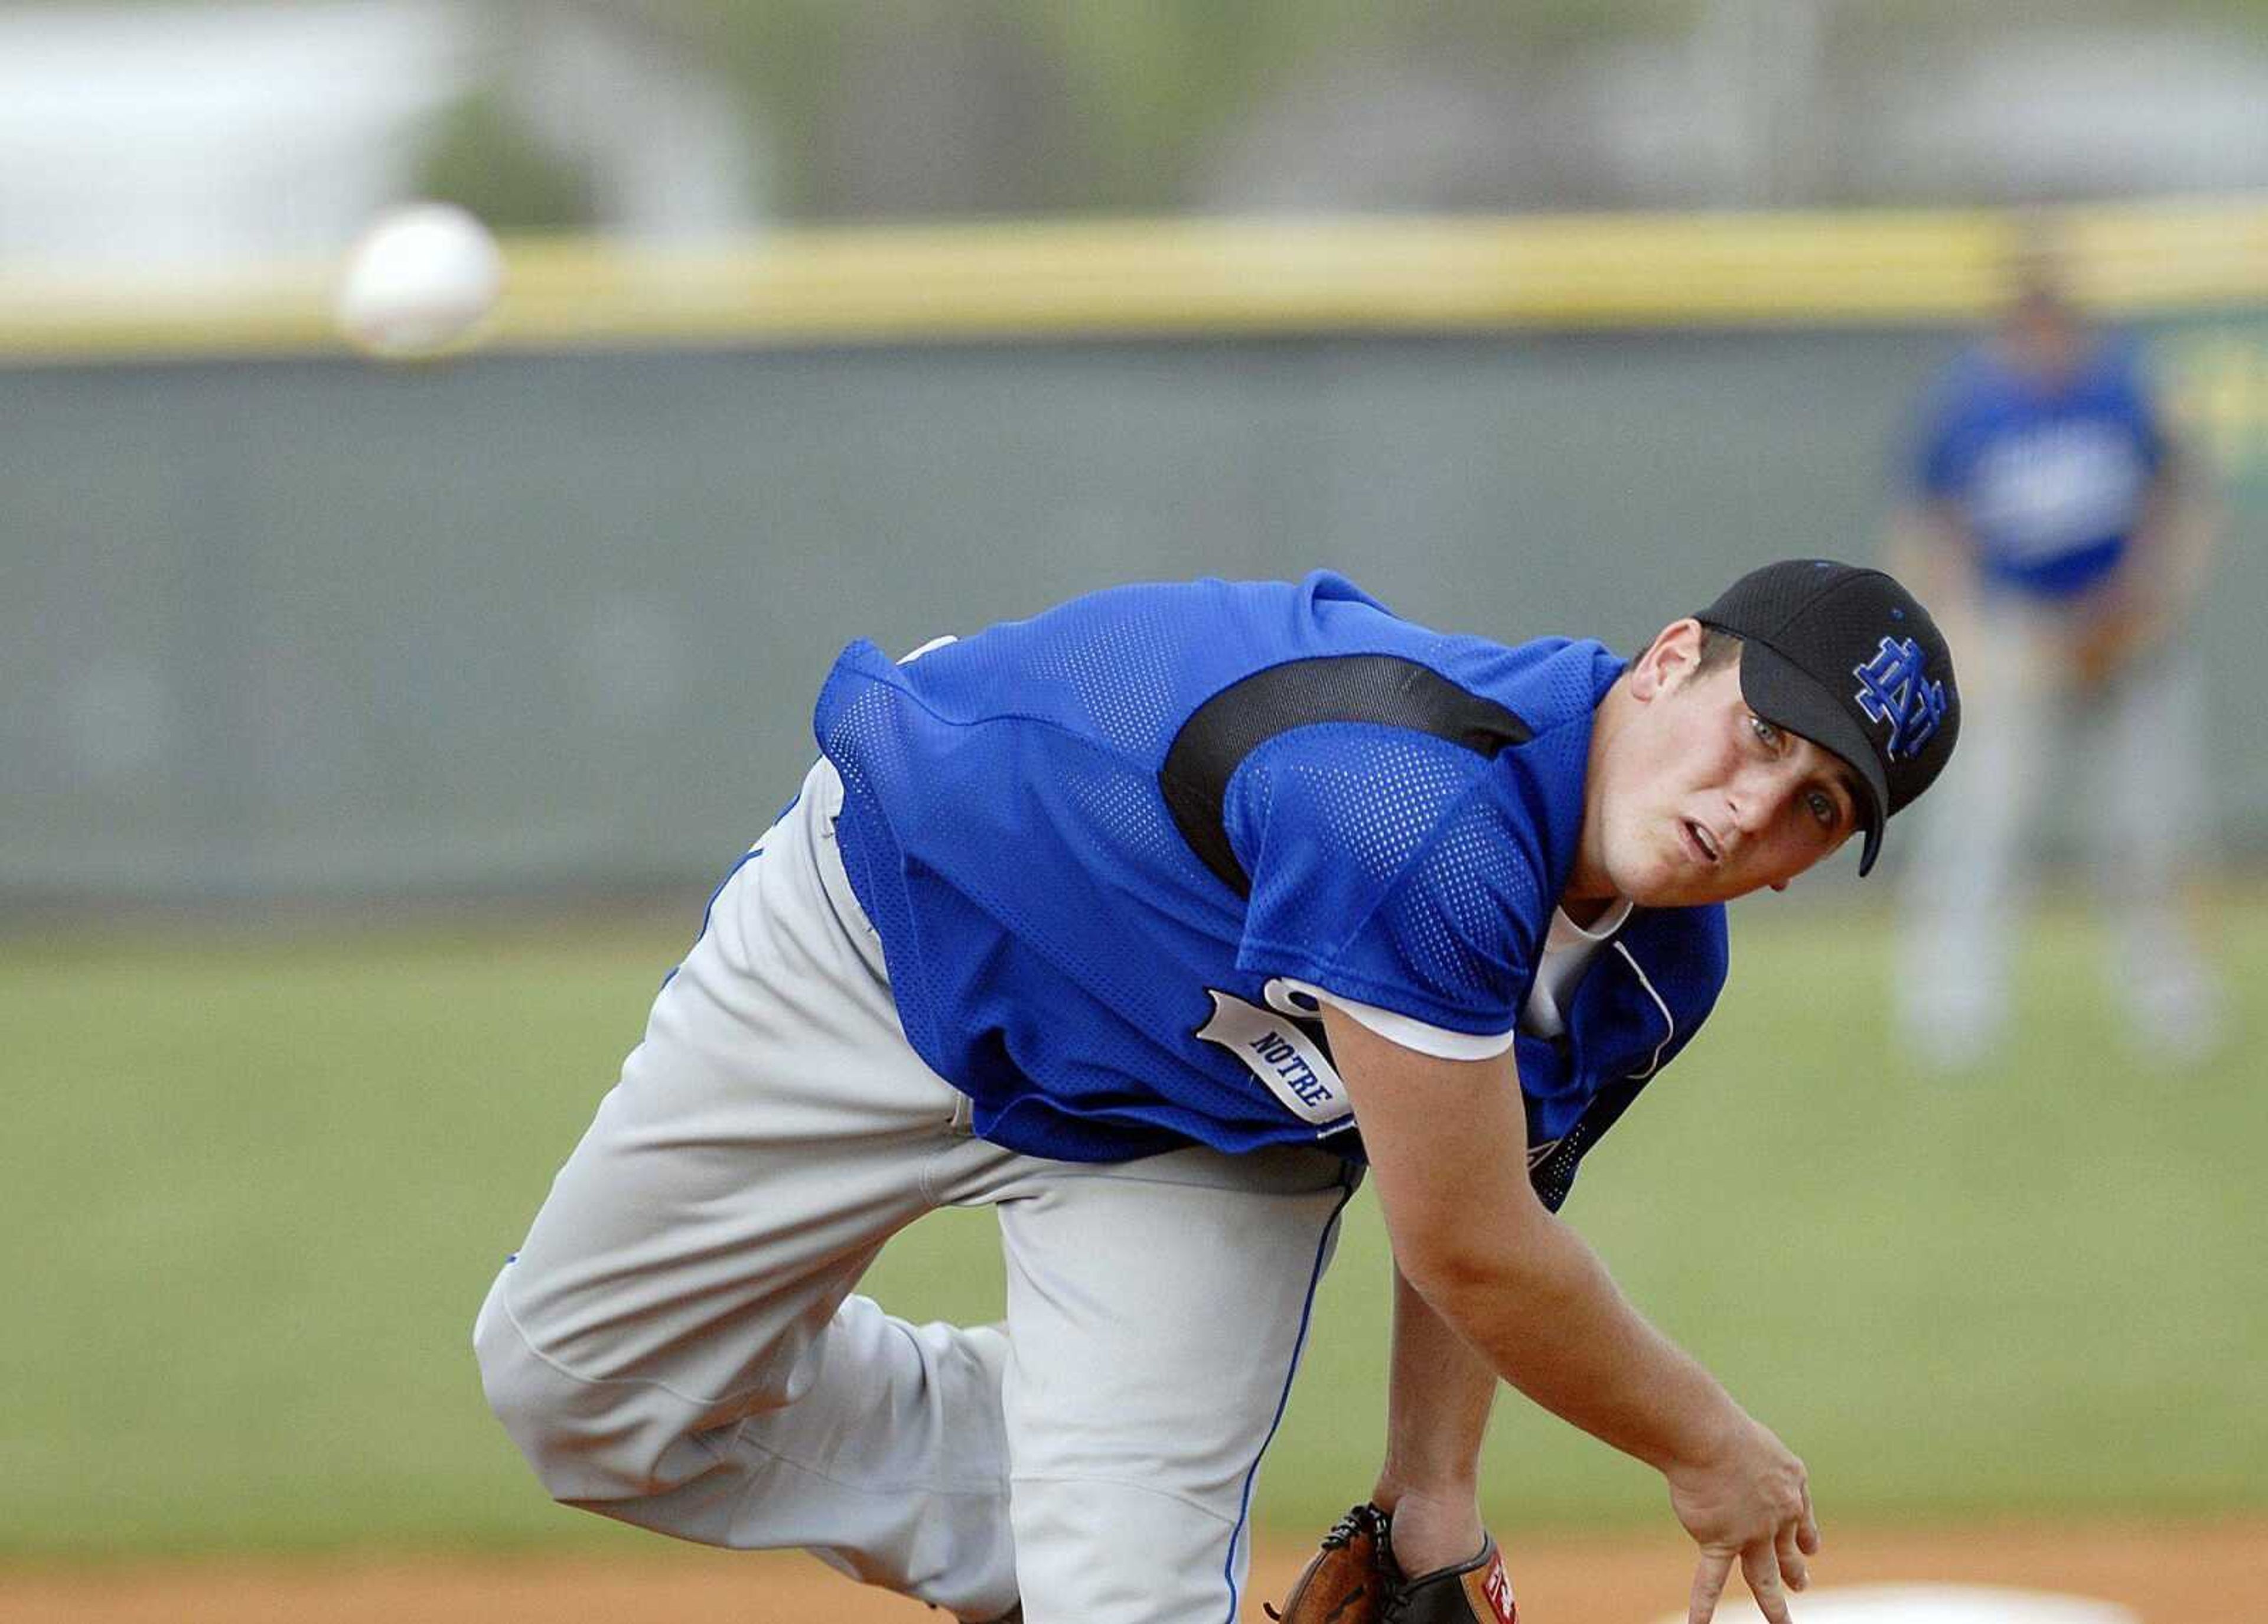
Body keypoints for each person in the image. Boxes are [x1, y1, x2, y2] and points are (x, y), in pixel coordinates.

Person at [474, 557, 1960, 1624]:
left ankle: (1110, 1505)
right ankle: (1070, 1466)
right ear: (1667, 660)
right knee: (579, 1390)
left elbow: (1498, 1204)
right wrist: (1711, 1447)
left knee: (1122, 1598)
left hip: (1200, 1126)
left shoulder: (1658, 968)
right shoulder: (1421, 811)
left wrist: (1428, 1497)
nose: (1751, 810)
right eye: (1761, 733)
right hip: (897, 927)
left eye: (1817, 808)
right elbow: (1469, 1247)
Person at [1889, 245, 2222, 1069]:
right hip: (2020, 634)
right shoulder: (1969, 408)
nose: (2042, 336)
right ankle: (1952, 1001)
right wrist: (1965, 634)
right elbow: (1932, 526)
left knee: (2148, 828)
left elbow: (2178, 503)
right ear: (2008, 328)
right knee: (1982, 826)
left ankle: (2169, 995)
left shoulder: (2120, 392)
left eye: (2054, 321)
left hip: (2124, 633)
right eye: (2027, 322)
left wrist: (2150, 605)